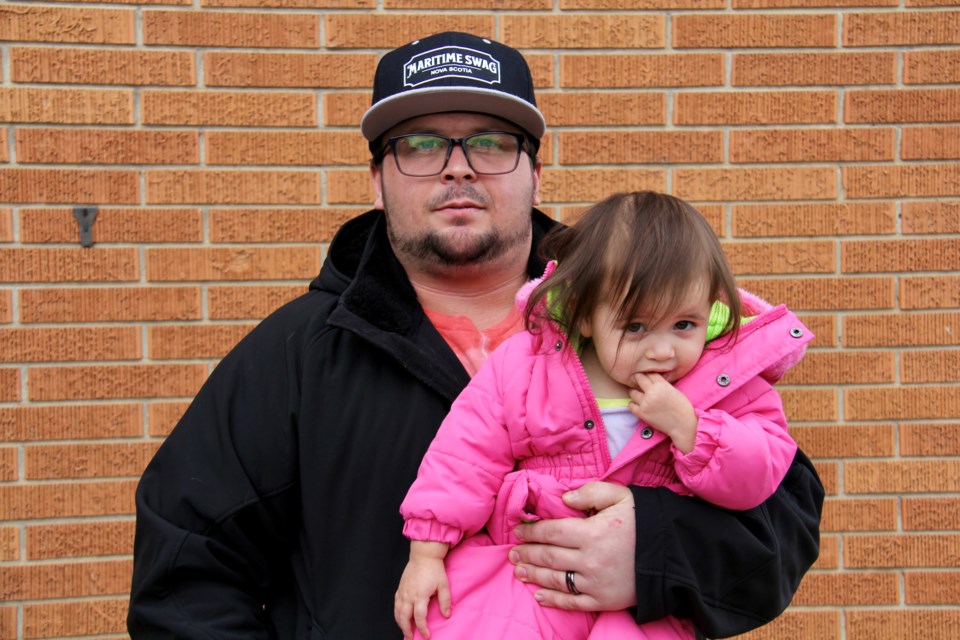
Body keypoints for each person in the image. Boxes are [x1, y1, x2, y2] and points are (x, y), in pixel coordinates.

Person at [127, 32, 824, 639]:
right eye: (419, 145)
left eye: (490, 142)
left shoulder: (682, 341)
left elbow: (784, 536)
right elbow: (184, 577)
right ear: (377, 180)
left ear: (535, 172)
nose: (458, 166)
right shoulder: (294, 358)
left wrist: (656, 553)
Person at [394, 191, 813, 640]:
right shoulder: (529, 364)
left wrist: (692, 428)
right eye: (635, 327)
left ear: (711, 309)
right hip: (529, 568)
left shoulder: (725, 384)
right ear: (586, 313)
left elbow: (761, 474)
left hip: (642, 603)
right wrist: (427, 553)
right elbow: (465, 454)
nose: (662, 350)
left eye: (684, 325)